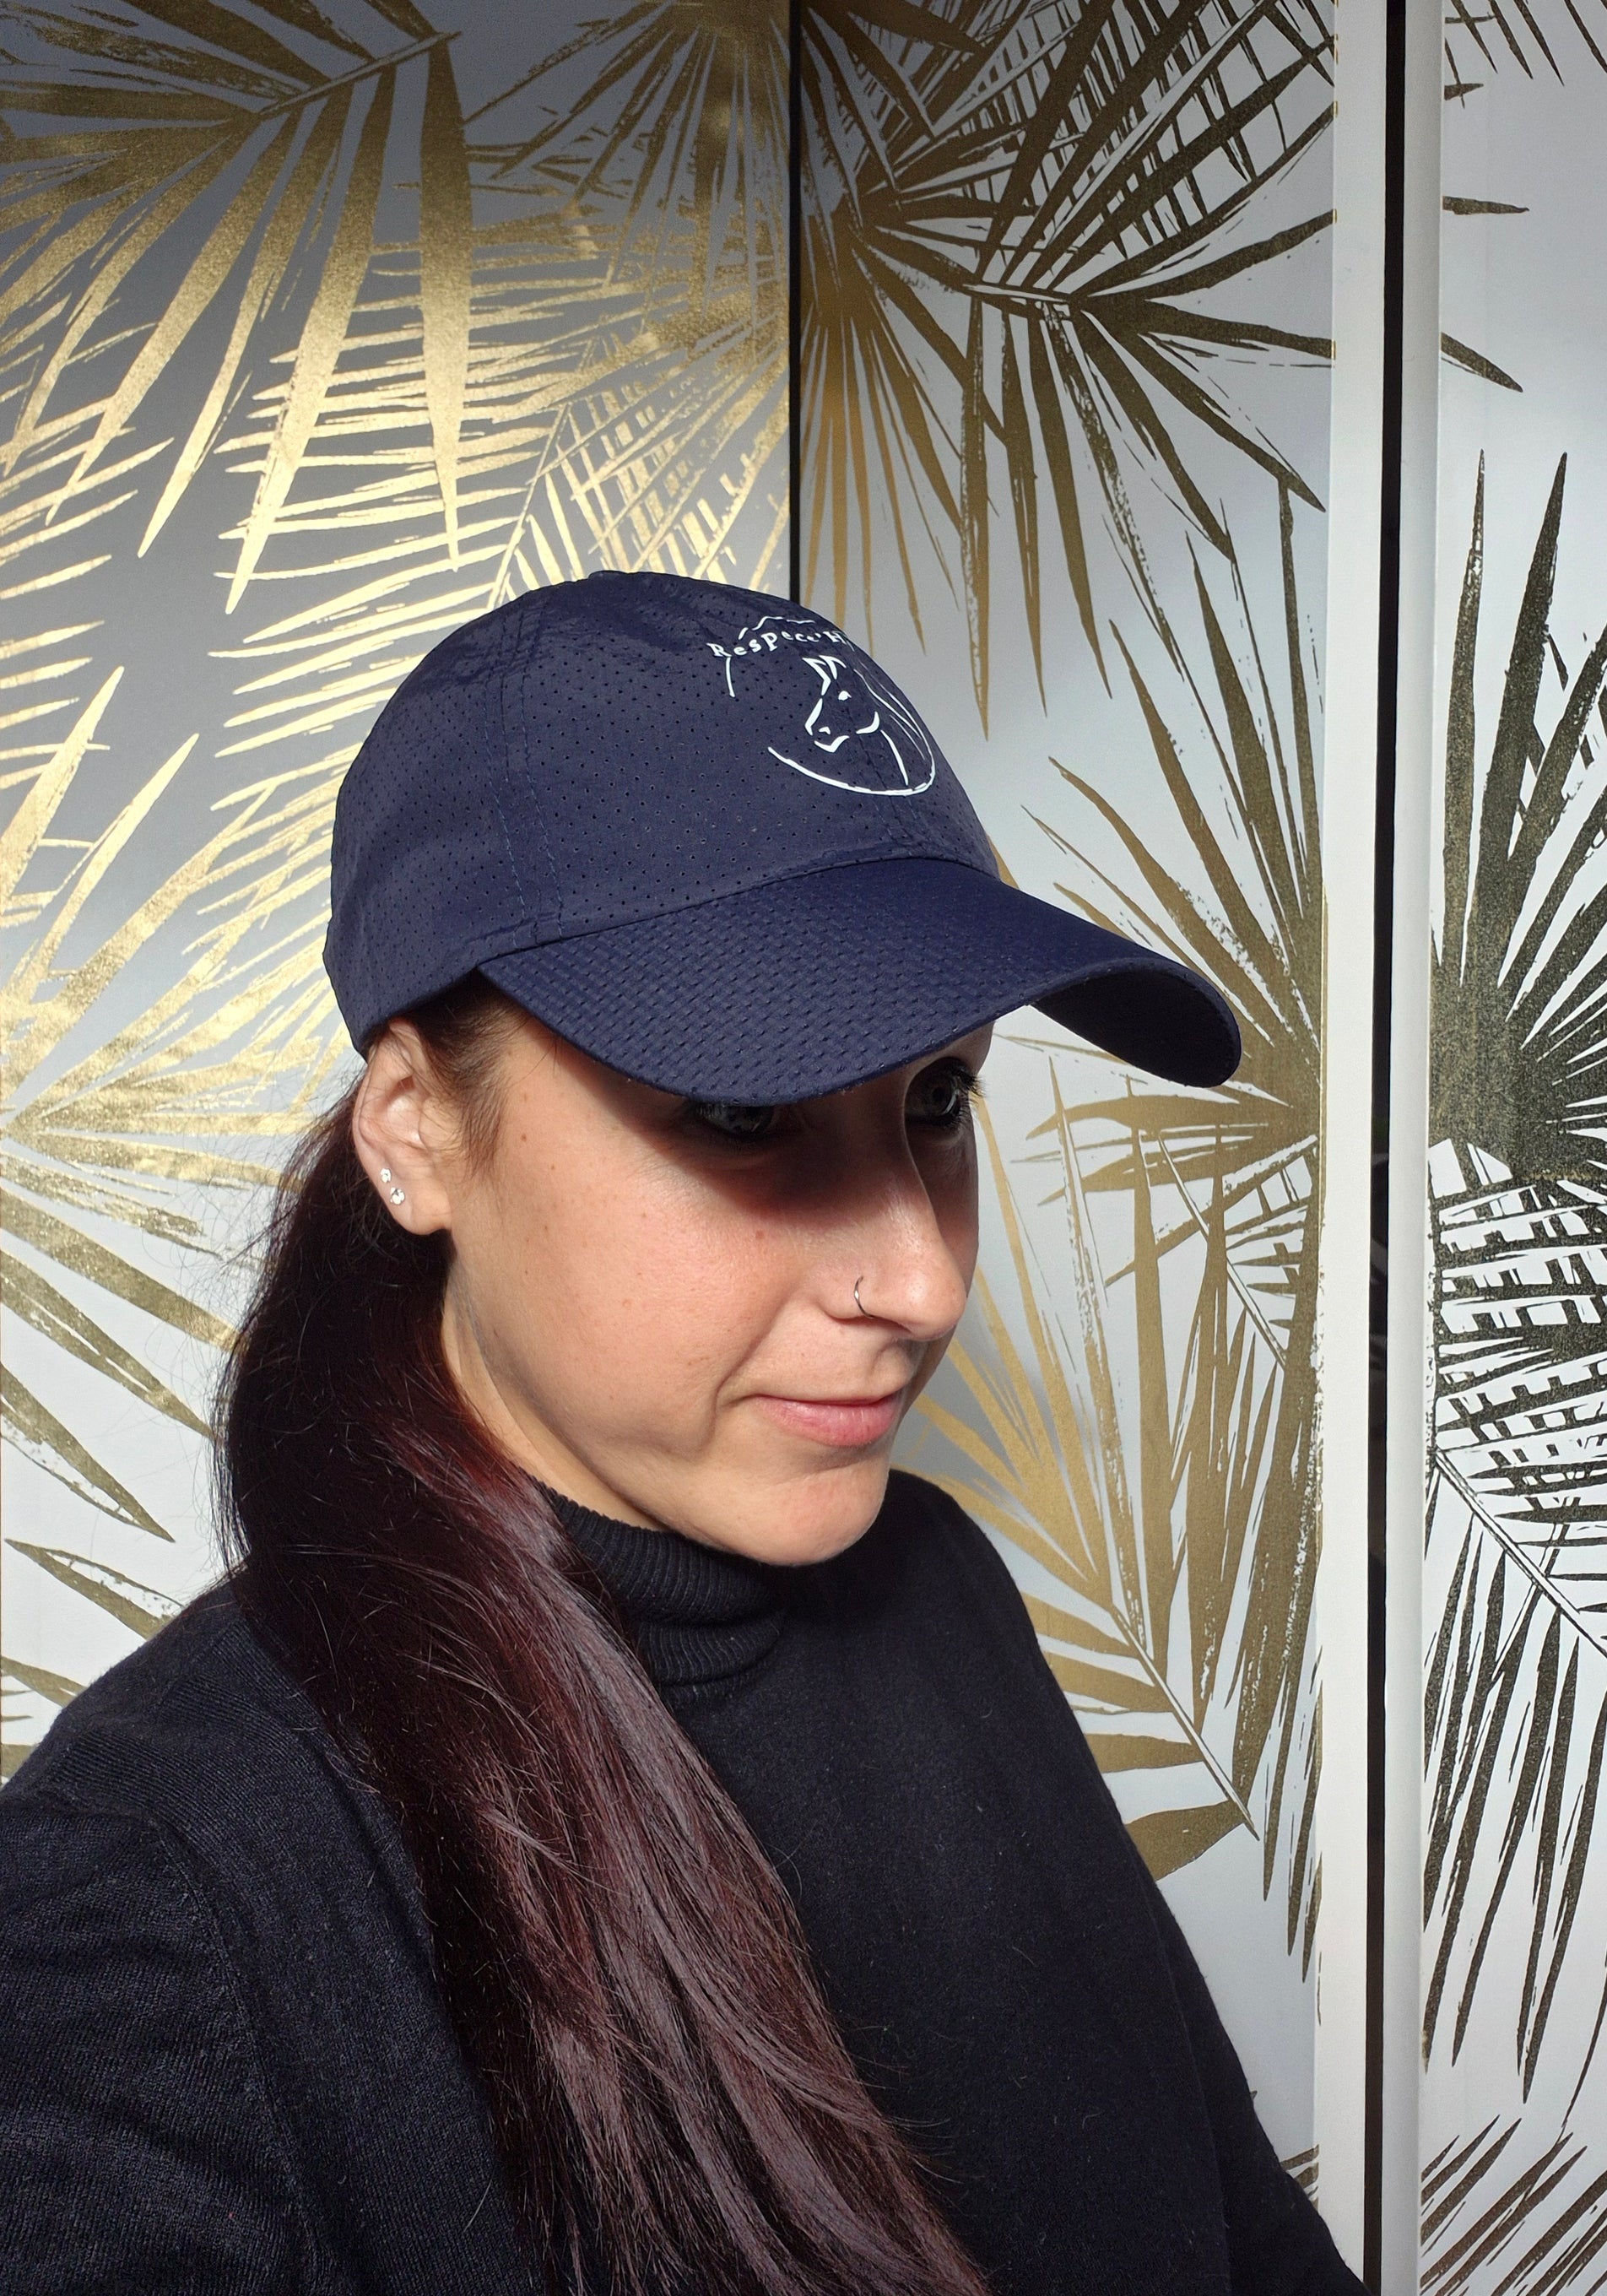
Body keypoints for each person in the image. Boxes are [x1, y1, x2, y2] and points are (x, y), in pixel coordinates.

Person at [0, 574, 1364, 2296]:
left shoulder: (936, 1583)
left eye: (939, 1097)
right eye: (742, 1110)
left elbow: (1244, 2238)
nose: (920, 1278)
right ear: (416, 1132)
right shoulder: (162, 1886)